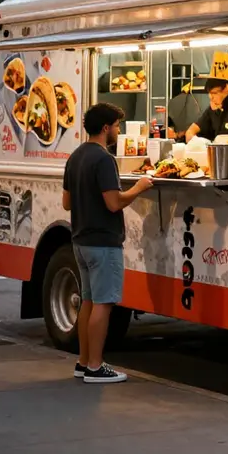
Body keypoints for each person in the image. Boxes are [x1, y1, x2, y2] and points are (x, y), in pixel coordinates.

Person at [62, 102, 153, 384]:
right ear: (105, 128)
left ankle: (83, 362)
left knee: (88, 301)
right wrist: (139, 187)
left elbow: (66, 203)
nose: (118, 131)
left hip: (80, 240)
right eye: (116, 126)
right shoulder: (103, 159)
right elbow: (114, 203)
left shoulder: (76, 156)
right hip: (103, 242)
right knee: (103, 303)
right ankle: (95, 367)